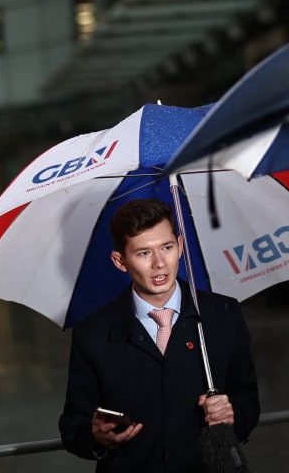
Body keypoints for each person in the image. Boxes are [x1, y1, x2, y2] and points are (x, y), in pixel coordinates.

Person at [59, 198, 260, 472]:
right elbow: (72, 426)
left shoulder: (222, 315)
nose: (159, 264)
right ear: (120, 261)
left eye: (167, 247)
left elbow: (249, 399)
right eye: (143, 253)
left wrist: (232, 410)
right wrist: (95, 434)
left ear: (180, 245)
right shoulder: (92, 333)